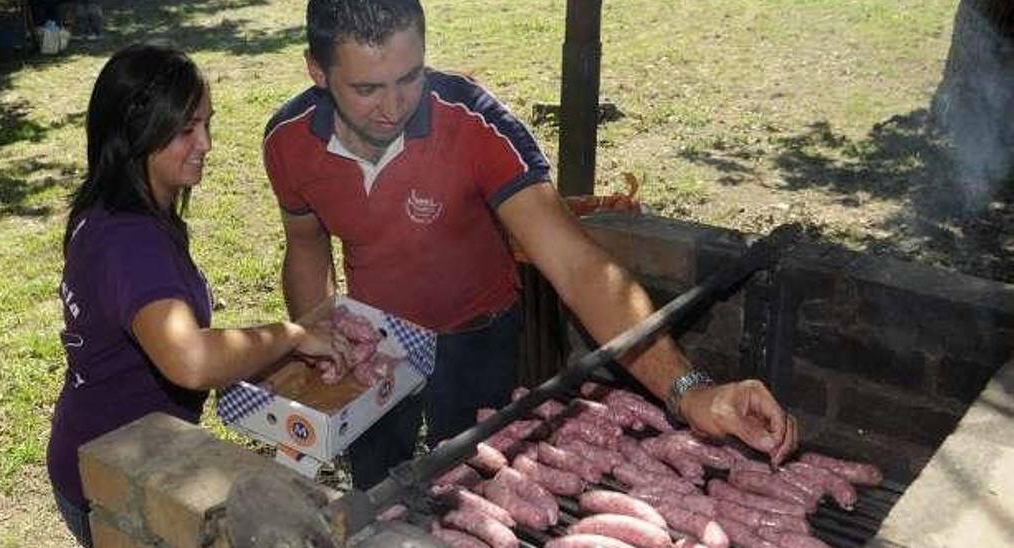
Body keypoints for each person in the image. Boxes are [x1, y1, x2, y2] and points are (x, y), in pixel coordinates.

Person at [262, 0, 799, 490]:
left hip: (475, 335)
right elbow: (305, 245)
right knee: (376, 485)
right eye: (366, 89)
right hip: (374, 343)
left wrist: (690, 390)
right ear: (317, 70)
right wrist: (317, 335)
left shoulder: (477, 125)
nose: (393, 107)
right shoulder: (288, 140)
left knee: (476, 485)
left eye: (409, 78)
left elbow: (582, 269)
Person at [47, 43, 337, 547]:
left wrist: (256, 362)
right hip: (113, 475)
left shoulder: (118, 210)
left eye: (206, 123)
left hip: (105, 448)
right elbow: (190, 359)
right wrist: (290, 335)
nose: (205, 143)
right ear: (136, 132)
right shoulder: (130, 241)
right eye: (185, 130)